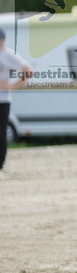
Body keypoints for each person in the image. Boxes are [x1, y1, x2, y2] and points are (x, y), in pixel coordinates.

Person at [0, 28, 32, 177]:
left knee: (1, 133)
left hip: (3, 100)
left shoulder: (8, 55)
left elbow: (29, 70)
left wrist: (12, 86)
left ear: (3, 40)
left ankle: (0, 165)